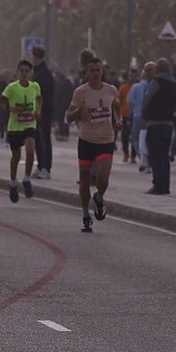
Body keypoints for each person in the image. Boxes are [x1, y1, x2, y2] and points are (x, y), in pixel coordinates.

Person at [63, 57, 121, 231]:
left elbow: (117, 106)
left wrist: (119, 120)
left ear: (102, 72)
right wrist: (78, 111)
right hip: (86, 140)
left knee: (103, 178)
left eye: (98, 70)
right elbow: (68, 117)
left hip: (106, 140)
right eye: (92, 70)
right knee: (84, 179)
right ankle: (85, 216)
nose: (95, 73)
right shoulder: (80, 92)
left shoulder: (111, 90)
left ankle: (99, 197)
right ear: (86, 72)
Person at [0, 59, 42, 202]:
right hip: (15, 127)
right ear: (17, 72)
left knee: (30, 151)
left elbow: (39, 98)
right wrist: (10, 109)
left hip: (30, 124)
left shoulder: (35, 86)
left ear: (31, 73)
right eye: (21, 71)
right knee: (16, 157)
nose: (24, 74)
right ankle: (13, 183)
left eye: (27, 71)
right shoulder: (11, 87)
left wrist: (38, 110)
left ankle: (26, 179)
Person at [142, 58, 176, 196]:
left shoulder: (155, 82)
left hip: (155, 122)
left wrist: (144, 114)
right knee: (164, 155)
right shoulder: (173, 84)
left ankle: (158, 184)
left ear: (157, 69)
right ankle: (165, 186)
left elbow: (147, 100)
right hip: (168, 123)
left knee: (155, 156)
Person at [30, 47, 54, 179]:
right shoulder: (38, 72)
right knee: (38, 139)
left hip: (43, 111)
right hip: (37, 110)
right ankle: (40, 166)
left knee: (44, 139)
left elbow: (43, 94)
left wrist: (40, 109)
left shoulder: (43, 73)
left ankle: (46, 167)